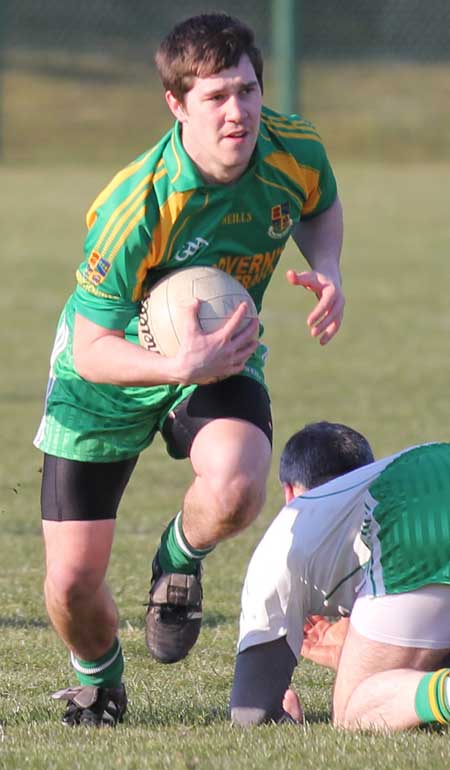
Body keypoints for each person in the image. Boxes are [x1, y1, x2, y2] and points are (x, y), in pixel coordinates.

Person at [34, 12, 344, 727]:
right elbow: (90, 348)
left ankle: (179, 555)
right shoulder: (135, 204)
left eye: (247, 90)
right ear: (177, 105)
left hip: (214, 351)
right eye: (215, 97)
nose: (238, 111)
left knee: (238, 484)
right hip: (107, 376)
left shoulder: (292, 148)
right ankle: (99, 677)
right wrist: (176, 361)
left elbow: (320, 205)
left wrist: (327, 268)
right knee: (73, 582)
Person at [230, 422, 450, 732]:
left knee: (354, 713)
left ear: (289, 491)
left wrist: (282, 720)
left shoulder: (281, 542)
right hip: (436, 458)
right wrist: (363, 655)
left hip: (416, 512)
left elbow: (251, 712)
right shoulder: (374, 484)